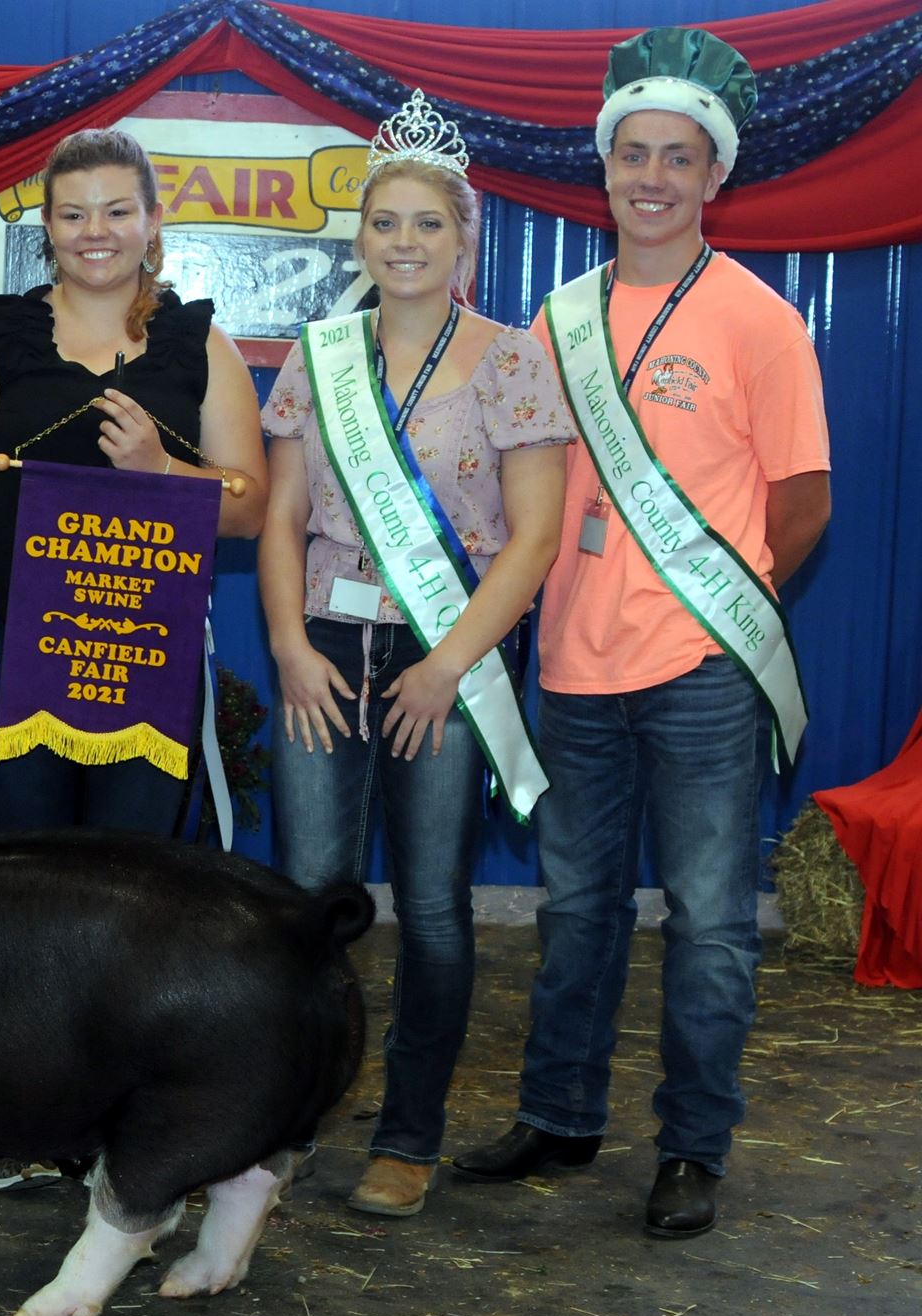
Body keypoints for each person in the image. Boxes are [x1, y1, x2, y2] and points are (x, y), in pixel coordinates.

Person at [453, 29, 831, 1240]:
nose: (652, 177)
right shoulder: (555, 318)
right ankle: (560, 1114)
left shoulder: (760, 321)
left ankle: (691, 1145)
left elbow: (801, 499)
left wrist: (717, 603)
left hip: (700, 667)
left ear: (710, 176)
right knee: (573, 910)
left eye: (677, 156)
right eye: (632, 155)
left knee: (712, 919)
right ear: (604, 169)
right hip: (571, 659)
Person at [256, 92, 570, 1219]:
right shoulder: (315, 357)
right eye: (383, 223)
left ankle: (406, 1134)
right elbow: (283, 519)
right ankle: (280, 1123)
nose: (402, 242)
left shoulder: (513, 359)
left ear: (462, 238)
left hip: (453, 650)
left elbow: (532, 537)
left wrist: (442, 669)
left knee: (433, 903)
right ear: (359, 237)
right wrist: (288, 644)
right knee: (304, 897)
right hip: (326, 645)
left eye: (425, 224)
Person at [0, 127, 266, 834]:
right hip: (16, 660)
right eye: (73, 214)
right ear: (48, 226)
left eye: (116, 210)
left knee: (134, 893)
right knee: (20, 886)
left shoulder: (201, 346)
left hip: (151, 660)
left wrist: (163, 471)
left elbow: (251, 509)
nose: (95, 232)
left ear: (151, 220)